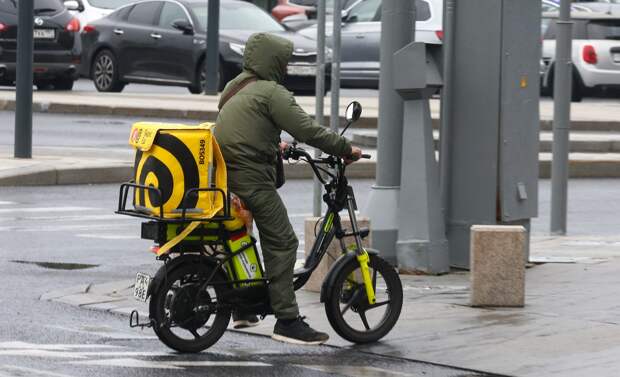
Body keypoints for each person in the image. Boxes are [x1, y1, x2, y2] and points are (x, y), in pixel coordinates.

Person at [214, 32, 362, 345]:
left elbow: (243, 124)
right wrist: (345, 148)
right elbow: (307, 129)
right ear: (274, 61)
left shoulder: (235, 86)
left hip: (226, 177)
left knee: (240, 241)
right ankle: (287, 320)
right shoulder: (272, 93)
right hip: (251, 180)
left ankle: (242, 305)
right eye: (284, 61)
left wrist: (274, 143)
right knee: (282, 241)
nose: (286, 66)